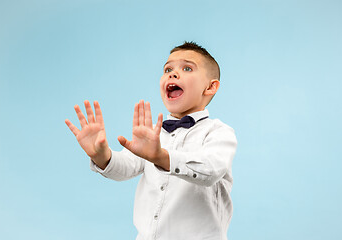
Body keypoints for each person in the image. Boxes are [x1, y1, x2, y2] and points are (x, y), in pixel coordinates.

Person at [65, 41, 238, 240]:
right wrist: (102, 156)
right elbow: (126, 167)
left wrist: (161, 157)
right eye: (168, 69)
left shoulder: (219, 132)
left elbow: (210, 170)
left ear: (210, 87)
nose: (172, 74)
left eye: (187, 68)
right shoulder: (154, 136)